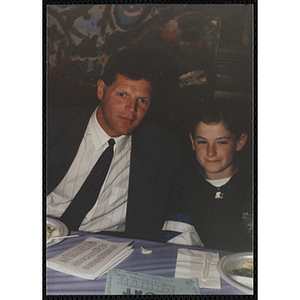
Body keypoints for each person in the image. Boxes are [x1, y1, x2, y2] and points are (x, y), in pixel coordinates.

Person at [46, 49, 180, 242]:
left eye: (142, 100)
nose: (131, 109)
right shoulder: (53, 127)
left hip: (109, 247)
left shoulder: (161, 149)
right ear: (101, 90)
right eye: (122, 94)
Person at [160, 98, 253, 252]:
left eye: (222, 142)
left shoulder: (250, 186)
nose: (211, 152)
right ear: (192, 141)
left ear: (239, 142)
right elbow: (175, 245)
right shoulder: (183, 188)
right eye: (202, 142)